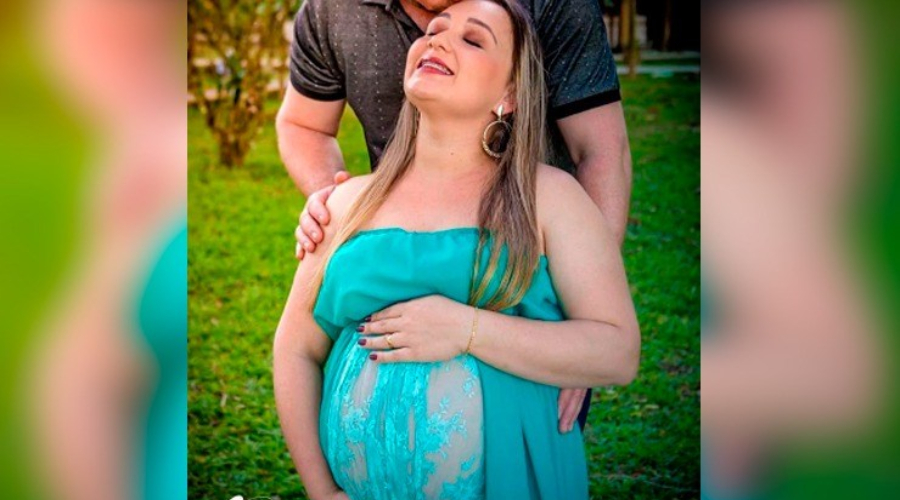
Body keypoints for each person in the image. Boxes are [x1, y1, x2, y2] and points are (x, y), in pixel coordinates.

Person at [272, 1, 640, 499]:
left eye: (473, 39)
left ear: (510, 93)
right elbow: (294, 349)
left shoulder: (547, 198)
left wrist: (465, 330)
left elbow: (617, 352)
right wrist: (322, 491)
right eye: (433, 32)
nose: (437, 39)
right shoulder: (345, 205)